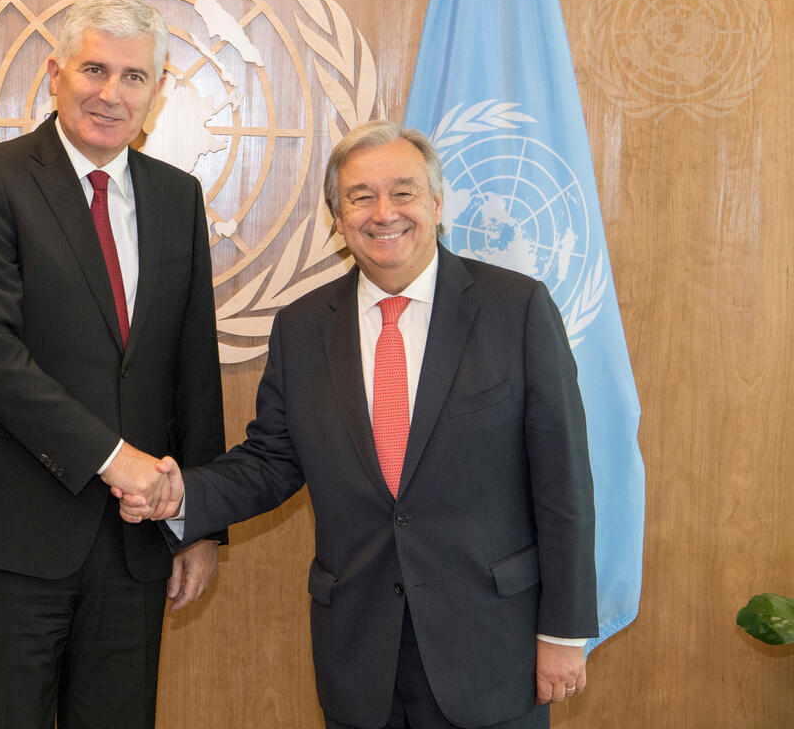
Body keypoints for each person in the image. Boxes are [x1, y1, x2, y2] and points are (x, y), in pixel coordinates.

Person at [122, 122, 597, 729]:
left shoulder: (517, 309)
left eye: (403, 192)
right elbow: (272, 461)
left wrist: (564, 631)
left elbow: (563, 483)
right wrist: (181, 494)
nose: (384, 213)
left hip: (491, 649)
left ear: (436, 203)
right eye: (360, 197)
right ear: (337, 219)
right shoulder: (303, 328)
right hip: (361, 655)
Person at [0, 0, 225, 729]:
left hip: (135, 544)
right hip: (10, 533)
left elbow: (193, 366)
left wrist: (199, 520)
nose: (111, 93)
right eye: (95, 69)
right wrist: (116, 460)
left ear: (157, 92)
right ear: (55, 73)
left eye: (133, 76)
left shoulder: (177, 196)